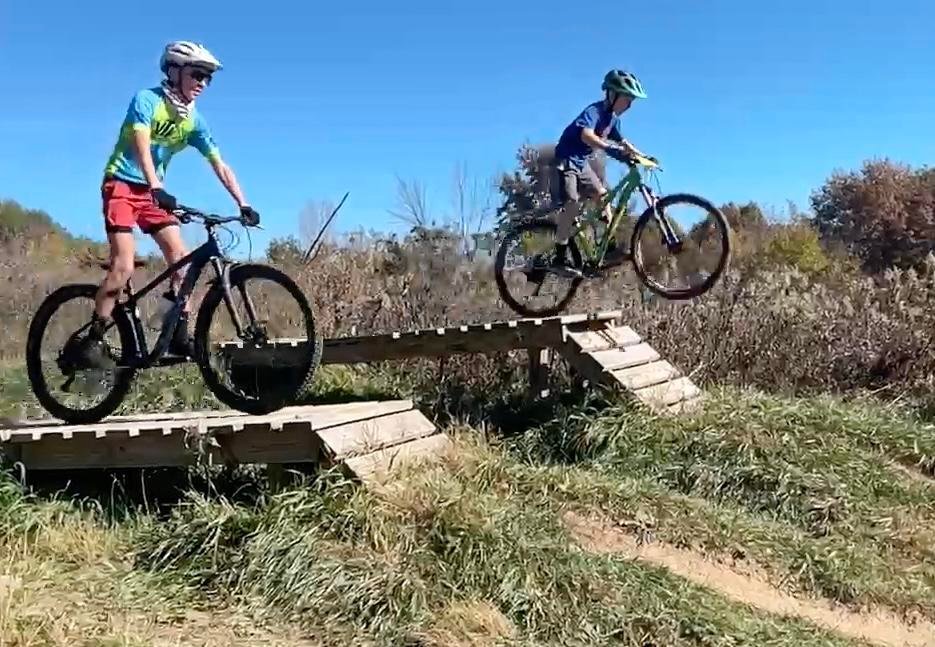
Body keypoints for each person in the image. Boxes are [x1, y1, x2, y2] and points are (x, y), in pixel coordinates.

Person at [79, 41, 259, 369]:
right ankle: (94, 337)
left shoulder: (193, 121)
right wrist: (157, 185)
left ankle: (178, 330)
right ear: (174, 71)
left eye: (208, 78)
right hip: (121, 185)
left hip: (152, 194)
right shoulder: (147, 101)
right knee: (123, 268)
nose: (203, 82)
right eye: (197, 74)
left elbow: (219, 163)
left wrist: (243, 202)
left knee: (181, 259)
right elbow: (142, 146)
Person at [551, 68, 648, 272]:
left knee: (603, 197)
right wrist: (609, 148)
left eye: (632, 101)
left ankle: (608, 246)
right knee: (572, 203)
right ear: (612, 94)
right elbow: (586, 135)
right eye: (627, 98)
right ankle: (558, 257)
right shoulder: (594, 111)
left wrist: (643, 157)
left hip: (581, 163)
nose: (630, 105)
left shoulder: (613, 119)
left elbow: (624, 142)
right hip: (566, 158)